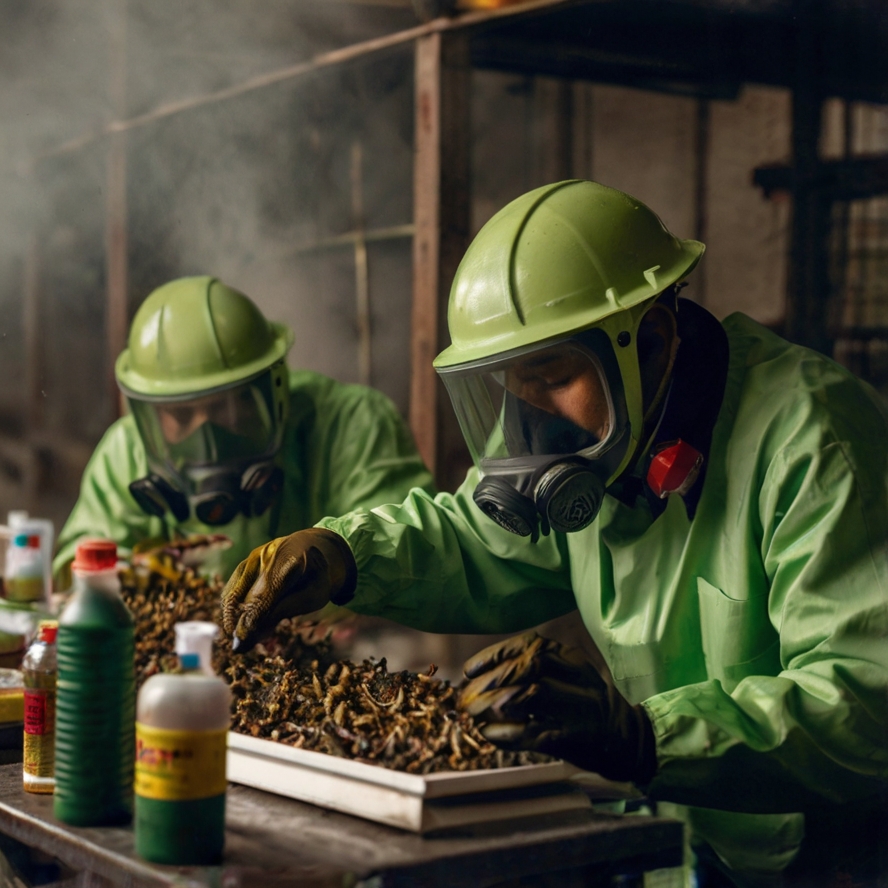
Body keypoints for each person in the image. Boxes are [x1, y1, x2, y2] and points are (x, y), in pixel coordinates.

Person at [220, 181, 888, 886]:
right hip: (673, 837)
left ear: (654, 340)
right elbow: (475, 539)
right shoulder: (603, 440)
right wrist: (345, 553)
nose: (533, 419)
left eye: (553, 375)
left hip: (821, 864)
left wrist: (640, 734)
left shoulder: (815, 440)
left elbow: (865, 699)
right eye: (510, 386)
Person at [54, 275, 434, 583]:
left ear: (273, 391)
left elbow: (412, 552)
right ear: (146, 416)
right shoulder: (128, 453)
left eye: (224, 409)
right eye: (182, 416)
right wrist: (124, 577)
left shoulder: (353, 425)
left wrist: (335, 560)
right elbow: (77, 569)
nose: (208, 439)